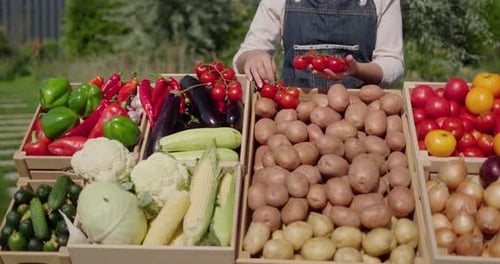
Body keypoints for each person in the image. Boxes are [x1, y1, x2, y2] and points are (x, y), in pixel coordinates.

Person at [233, 0, 404, 90]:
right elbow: (244, 55)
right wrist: (253, 56)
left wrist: (358, 70)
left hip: (360, 115)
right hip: (294, 114)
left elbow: (392, 64)